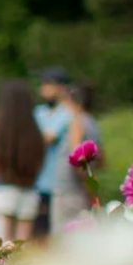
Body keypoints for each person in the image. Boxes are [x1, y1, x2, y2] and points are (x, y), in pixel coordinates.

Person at [0, 79, 47, 242]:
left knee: (1, 244)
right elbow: (40, 162)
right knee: (22, 245)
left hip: (2, 188)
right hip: (28, 190)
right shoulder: (35, 133)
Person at [51, 81, 101, 230]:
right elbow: (102, 160)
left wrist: (87, 183)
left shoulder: (76, 123)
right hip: (83, 190)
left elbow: (77, 158)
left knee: (63, 236)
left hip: (68, 189)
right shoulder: (92, 123)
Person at [32, 68, 73, 239]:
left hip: (55, 182)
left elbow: (49, 137)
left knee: (50, 233)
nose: (44, 89)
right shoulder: (38, 111)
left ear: (61, 88)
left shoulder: (66, 112)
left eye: (49, 85)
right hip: (35, 180)